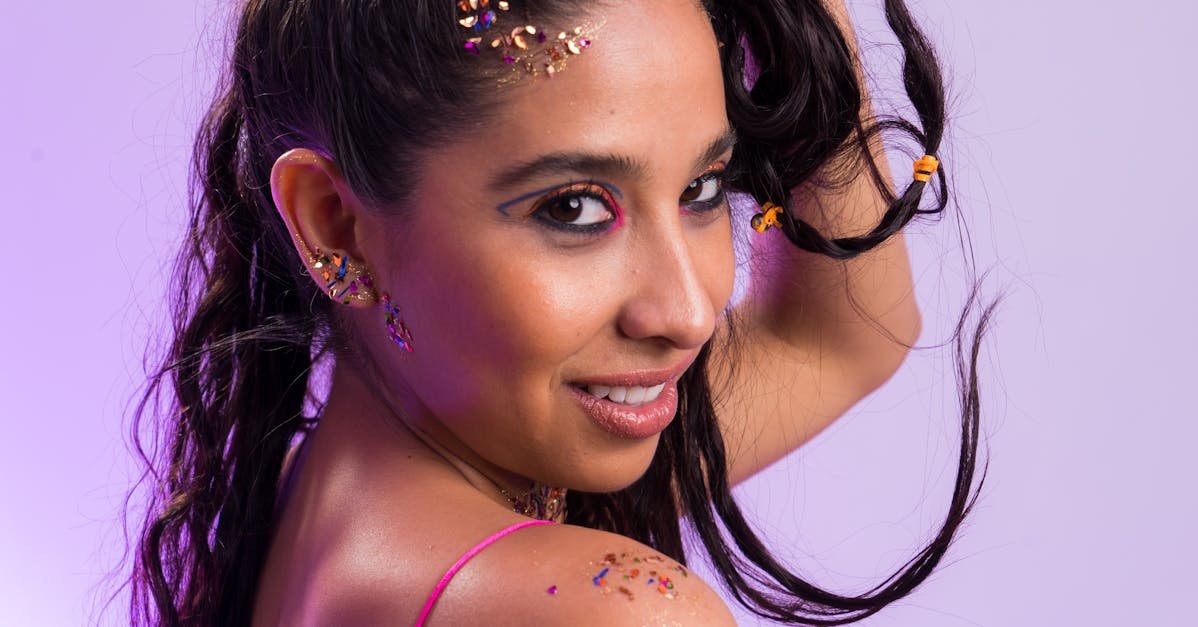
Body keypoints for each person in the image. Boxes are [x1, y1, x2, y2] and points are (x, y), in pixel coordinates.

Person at [126, 0, 990, 624]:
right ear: (335, 223)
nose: (688, 309)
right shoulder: (600, 611)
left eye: (701, 189)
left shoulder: (304, 504)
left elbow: (836, 339)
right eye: (574, 209)